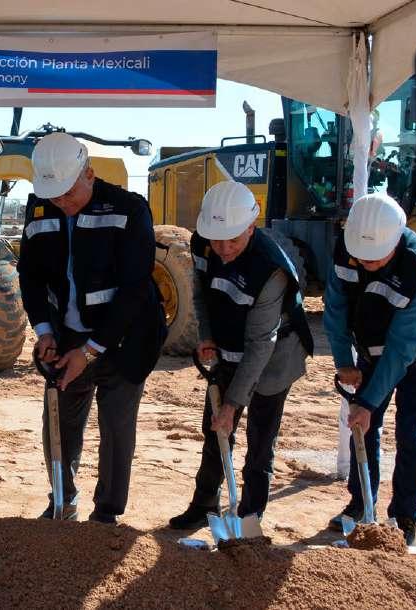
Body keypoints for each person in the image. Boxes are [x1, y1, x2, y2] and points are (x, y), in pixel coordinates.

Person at [18, 132, 167, 524]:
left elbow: (135, 288)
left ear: (89, 173)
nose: (63, 204)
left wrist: (90, 351)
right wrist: (45, 331)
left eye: (69, 194)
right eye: (55, 197)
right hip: (66, 338)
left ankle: (106, 514)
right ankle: (63, 499)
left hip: (125, 338)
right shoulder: (40, 210)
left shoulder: (129, 208)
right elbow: (30, 276)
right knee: (59, 424)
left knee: (116, 430)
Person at [167, 182, 313, 530]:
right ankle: (204, 504)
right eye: (217, 240)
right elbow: (201, 294)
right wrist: (206, 335)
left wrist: (232, 404)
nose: (223, 249)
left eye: (232, 240)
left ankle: (249, 516)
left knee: (260, 441)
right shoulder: (204, 244)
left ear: (251, 226)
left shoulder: (271, 269)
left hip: (275, 357)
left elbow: (261, 344)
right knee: (215, 432)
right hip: (228, 350)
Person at [324, 192, 416, 545]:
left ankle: (405, 516)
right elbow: (335, 308)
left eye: (375, 258)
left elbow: (401, 349)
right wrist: (343, 362)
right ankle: (360, 504)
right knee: (362, 428)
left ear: (396, 240)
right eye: (361, 257)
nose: (365, 262)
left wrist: (368, 401)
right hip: (371, 349)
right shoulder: (348, 248)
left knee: (410, 433)